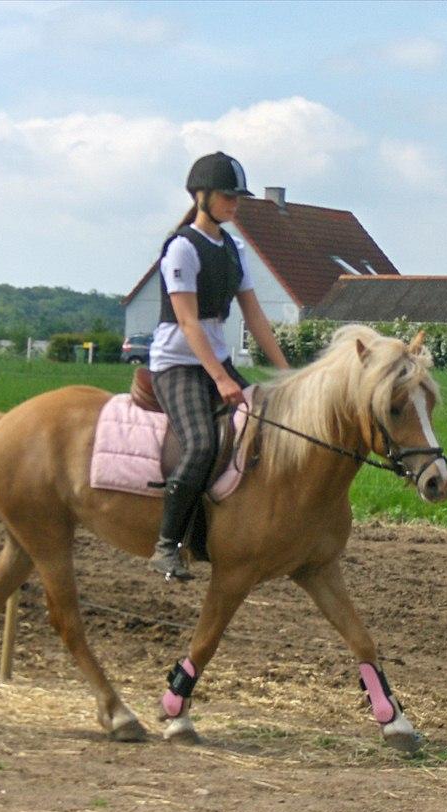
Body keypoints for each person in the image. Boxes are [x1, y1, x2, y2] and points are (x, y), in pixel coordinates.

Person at [149, 151, 291, 580]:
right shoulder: (181, 249)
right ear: (202, 196)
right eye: (228, 196)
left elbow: (255, 317)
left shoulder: (234, 248)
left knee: (268, 428)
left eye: (237, 197)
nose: (236, 204)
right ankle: (167, 545)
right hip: (178, 364)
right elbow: (189, 322)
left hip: (217, 360)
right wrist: (220, 378)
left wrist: (287, 373)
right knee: (201, 444)